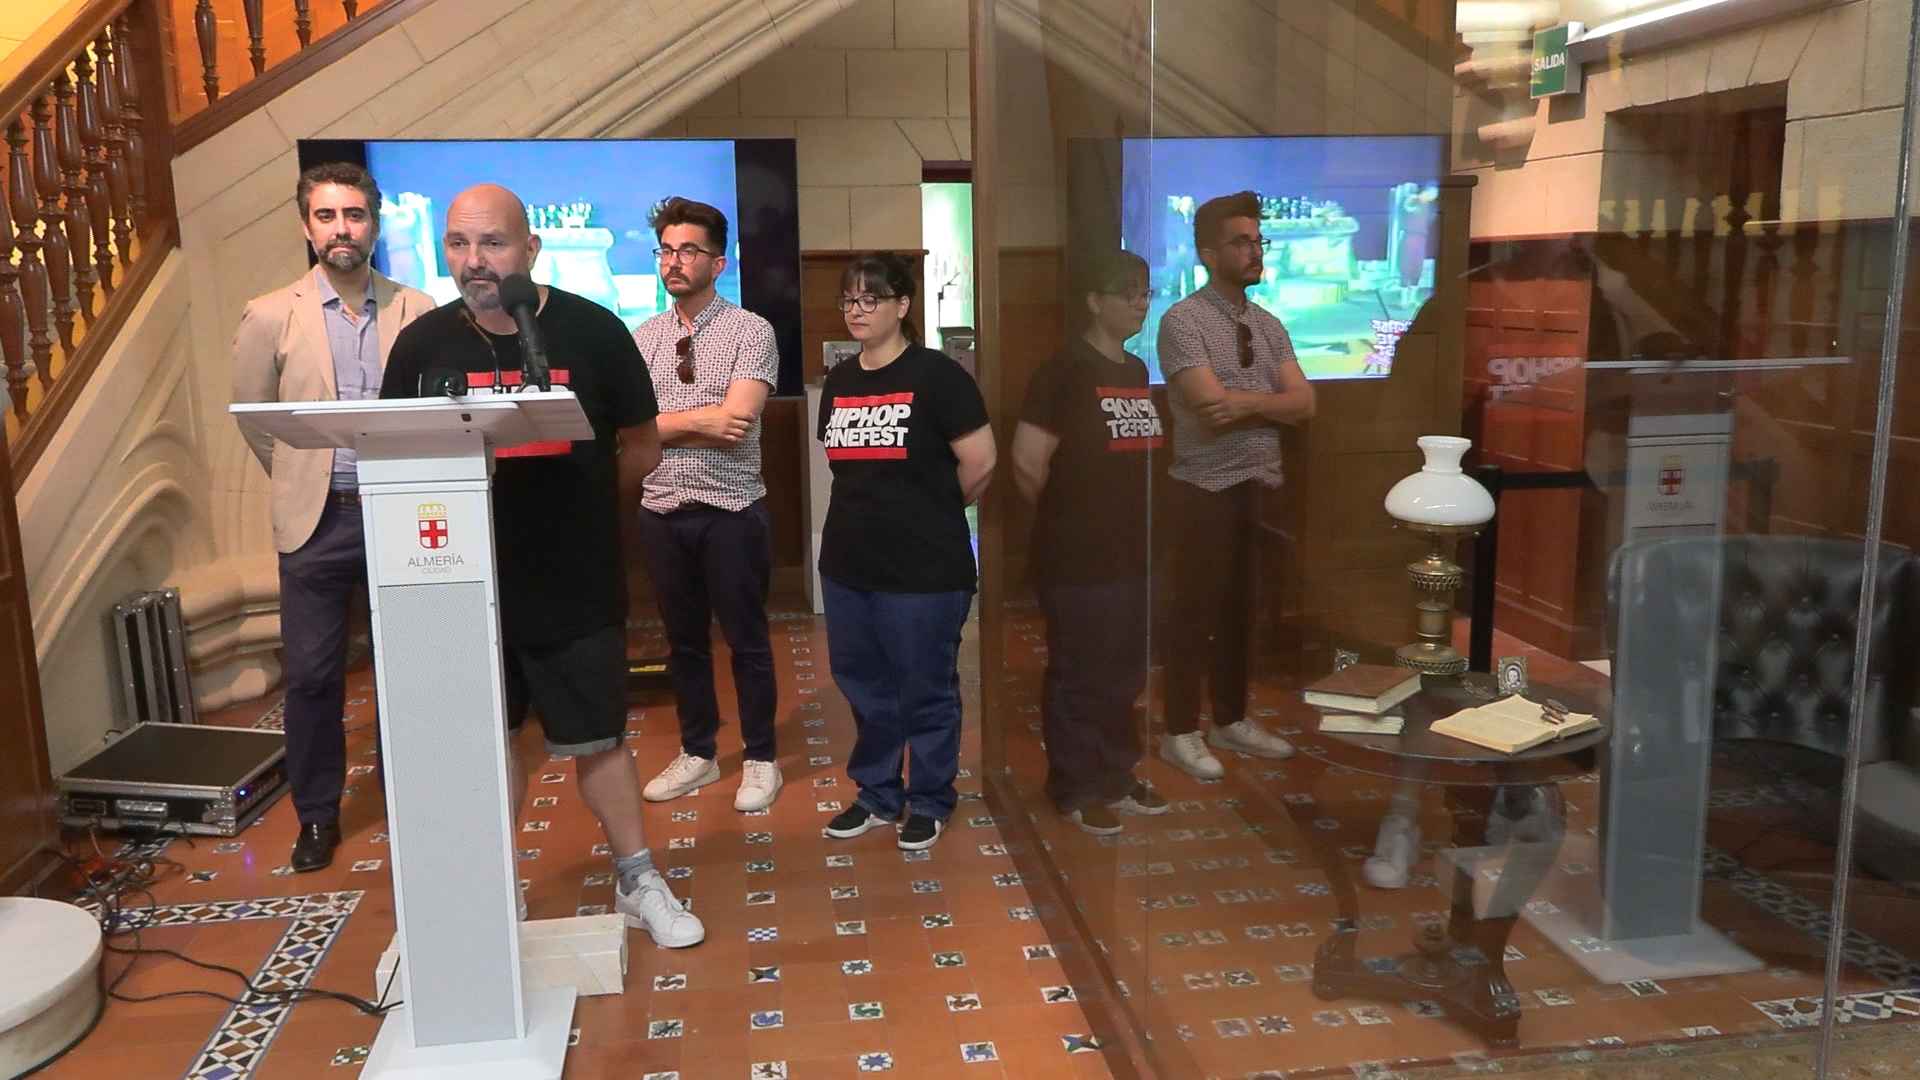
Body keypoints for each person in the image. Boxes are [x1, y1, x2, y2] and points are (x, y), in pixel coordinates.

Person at [378, 183, 702, 948]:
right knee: (484, 743)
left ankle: (638, 879)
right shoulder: (421, 346)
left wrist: (581, 505)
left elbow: (642, 447)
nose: (474, 260)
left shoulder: (593, 332)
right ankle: (489, 889)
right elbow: (395, 453)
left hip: (573, 579)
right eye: (458, 243)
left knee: (599, 740)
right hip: (461, 583)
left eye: (492, 243)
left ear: (531, 248)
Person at [231, 162, 436, 873]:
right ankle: (317, 814)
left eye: (354, 215)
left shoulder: (418, 308)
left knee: (406, 668)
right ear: (306, 226)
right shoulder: (268, 314)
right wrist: (303, 477)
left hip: (398, 511)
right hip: (315, 522)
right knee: (313, 677)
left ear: (374, 225)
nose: (341, 229)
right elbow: (255, 419)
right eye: (327, 216)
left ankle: (413, 795)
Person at [817, 254, 995, 851]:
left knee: (925, 687)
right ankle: (877, 793)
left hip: (925, 568)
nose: (857, 310)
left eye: (870, 298)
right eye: (849, 299)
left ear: (902, 305)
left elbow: (980, 463)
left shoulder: (939, 376)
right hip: (849, 564)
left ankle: (930, 799)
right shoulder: (841, 381)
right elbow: (841, 466)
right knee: (865, 686)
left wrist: (929, 511)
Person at [1157, 190, 1317, 779]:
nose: (1255, 251)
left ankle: (1230, 718)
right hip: (1202, 488)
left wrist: (1247, 403)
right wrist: (1271, 403)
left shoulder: (1269, 325)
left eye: (1257, 241)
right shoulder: (1183, 321)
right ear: (1208, 253)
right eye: (1241, 242)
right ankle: (1179, 731)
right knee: (1192, 614)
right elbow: (1207, 406)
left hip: (1261, 485)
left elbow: (1305, 404)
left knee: (1242, 613)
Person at [630, 197, 783, 812]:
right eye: (666, 250)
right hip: (661, 511)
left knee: (747, 641)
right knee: (683, 643)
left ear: (718, 263)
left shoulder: (751, 330)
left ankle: (761, 757)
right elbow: (631, 432)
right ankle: (698, 751)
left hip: (731, 511)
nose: (674, 261)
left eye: (688, 250)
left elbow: (736, 424)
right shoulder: (643, 337)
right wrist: (697, 421)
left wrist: (664, 426)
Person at [1009, 250, 1169, 834]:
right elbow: (1028, 464)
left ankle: (1116, 773)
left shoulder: (1136, 371)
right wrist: (1071, 517)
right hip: (1077, 556)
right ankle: (1076, 784)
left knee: (1124, 673)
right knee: (1080, 672)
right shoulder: (1064, 371)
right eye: (1127, 292)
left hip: (1135, 552)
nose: (1140, 303)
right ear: (1094, 300)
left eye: (1145, 292)